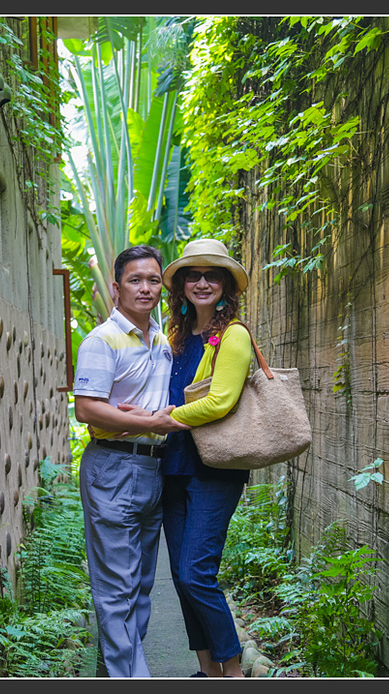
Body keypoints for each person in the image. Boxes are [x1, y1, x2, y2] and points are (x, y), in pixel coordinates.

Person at [124, 238, 253, 677]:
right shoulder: (177, 337)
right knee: (180, 577)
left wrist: (166, 417)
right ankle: (207, 671)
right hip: (174, 466)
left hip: (215, 469)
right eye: (192, 276)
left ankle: (232, 671)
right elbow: (162, 393)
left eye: (211, 275)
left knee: (198, 573)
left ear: (225, 286)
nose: (202, 283)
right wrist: (139, 415)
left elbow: (220, 401)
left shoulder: (232, 335)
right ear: (179, 286)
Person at [72, 245, 190, 678]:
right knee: (117, 588)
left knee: (139, 588)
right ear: (117, 287)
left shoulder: (161, 341)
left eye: (154, 280)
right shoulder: (102, 341)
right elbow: (86, 408)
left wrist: (137, 417)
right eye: (136, 280)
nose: (145, 288)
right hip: (113, 469)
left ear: (163, 286)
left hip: (153, 470)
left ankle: (115, 673)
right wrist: (145, 419)